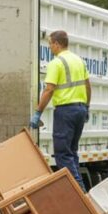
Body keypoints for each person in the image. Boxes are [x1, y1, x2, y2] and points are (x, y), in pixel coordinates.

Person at [30, 30, 91, 191]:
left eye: (50, 43)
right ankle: (80, 191)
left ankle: (78, 192)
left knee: (63, 154)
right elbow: (87, 85)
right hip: (80, 109)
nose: (50, 47)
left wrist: (38, 113)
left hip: (65, 111)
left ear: (57, 44)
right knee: (72, 152)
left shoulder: (56, 63)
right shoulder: (79, 61)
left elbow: (49, 90)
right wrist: (87, 107)